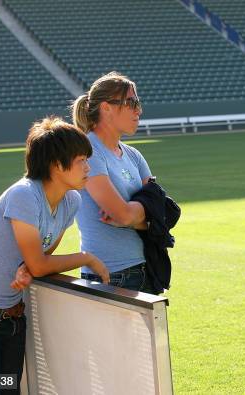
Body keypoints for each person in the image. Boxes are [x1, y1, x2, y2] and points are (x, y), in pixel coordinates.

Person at [0, 117, 109, 394]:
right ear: (55, 164)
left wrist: (28, 266)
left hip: (12, 315)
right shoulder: (24, 195)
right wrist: (86, 257)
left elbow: (41, 256)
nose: (88, 167)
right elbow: (40, 264)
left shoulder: (71, 201)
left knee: (8, 390)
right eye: (81, 160)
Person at [71, 71, 158, 294]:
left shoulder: (133, 155)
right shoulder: (88, 152)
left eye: (138, 102)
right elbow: (125, 214)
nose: (138, 109)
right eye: (131, 102)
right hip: (108, 275)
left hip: (145, 268)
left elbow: (162, 212)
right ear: (106, 107)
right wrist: (137, 217)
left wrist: (131, 218)